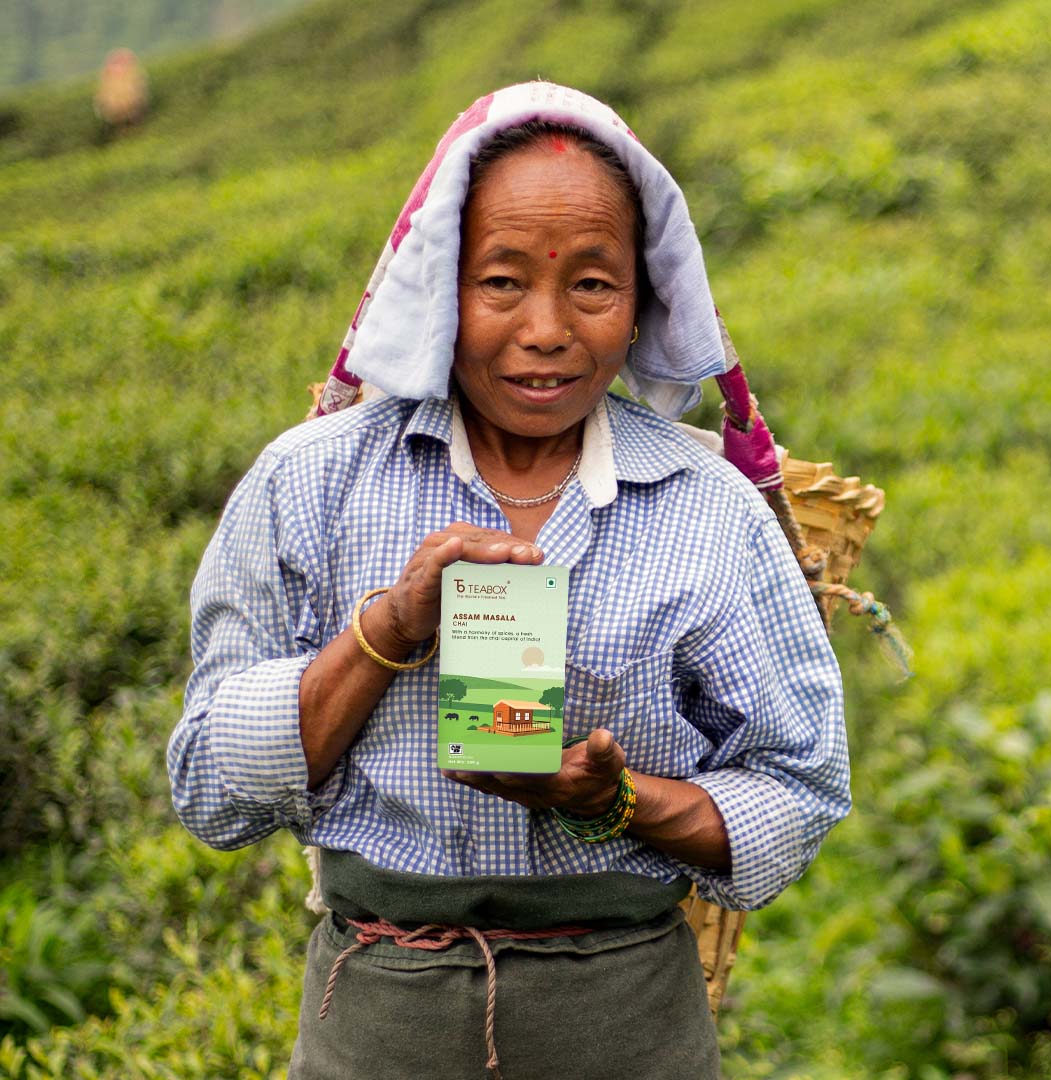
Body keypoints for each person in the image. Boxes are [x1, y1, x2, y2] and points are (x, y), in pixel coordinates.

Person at [168, 82, 849, 1079]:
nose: (547, 328)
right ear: (441, 285)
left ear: (645, 296)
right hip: (379, 1025)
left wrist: (615, 802)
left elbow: (797, 788)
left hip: (624, 1027)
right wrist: (386, 633)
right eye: (501, 283)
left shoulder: (709, 508)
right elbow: (210, 792)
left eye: (591, 285)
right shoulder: (313, 480)